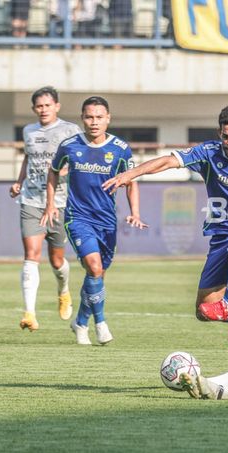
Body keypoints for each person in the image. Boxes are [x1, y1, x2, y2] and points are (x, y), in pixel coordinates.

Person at [103, 105, 228, 345]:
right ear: (219, 133)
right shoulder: (208, 153)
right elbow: (168, 161)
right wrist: (130, 174)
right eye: (226, 136)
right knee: (203, 311)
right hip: (223, 240)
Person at [41, 96, 147, 345]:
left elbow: (131, 181)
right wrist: (50, 204)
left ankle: (79, 322)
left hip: (107, 221)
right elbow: (53, 172)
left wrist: (135, 212)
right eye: (89, 117)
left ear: (108, 119)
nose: (94, 122)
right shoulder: (69, 145)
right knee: (95, 267)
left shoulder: (120, 149)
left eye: (99, 117)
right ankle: (100, 324)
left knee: (96, 275)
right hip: (78, 217)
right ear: (82, 119)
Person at [9, 86, 81, 332]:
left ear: (57, 106)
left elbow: (80, 159)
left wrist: (66, 170)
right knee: (31, 254)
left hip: (60, 201)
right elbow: (28, 158)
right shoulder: (29, 131)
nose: (43, 110)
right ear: (33, 109)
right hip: (31, 200)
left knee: (57, 259)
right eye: (39, 106)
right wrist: (19, 181)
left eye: (47, 105)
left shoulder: (70, 130)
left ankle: (63, 291)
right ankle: (29, 312)